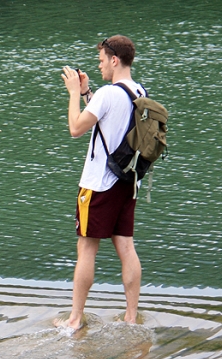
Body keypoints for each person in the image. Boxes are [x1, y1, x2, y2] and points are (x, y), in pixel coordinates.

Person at [56, 35, 147, 331]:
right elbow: (110, 118)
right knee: (126, 247)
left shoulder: (109, 92)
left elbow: (75, 129)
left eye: (101, 60)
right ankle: (131, 316)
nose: (99, 66)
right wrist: (86, 93)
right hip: (126, 182)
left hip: (97, 186)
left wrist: (72, 93)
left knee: (86, 248)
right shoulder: (138, 91)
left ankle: (74, 319)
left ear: (114, 60)